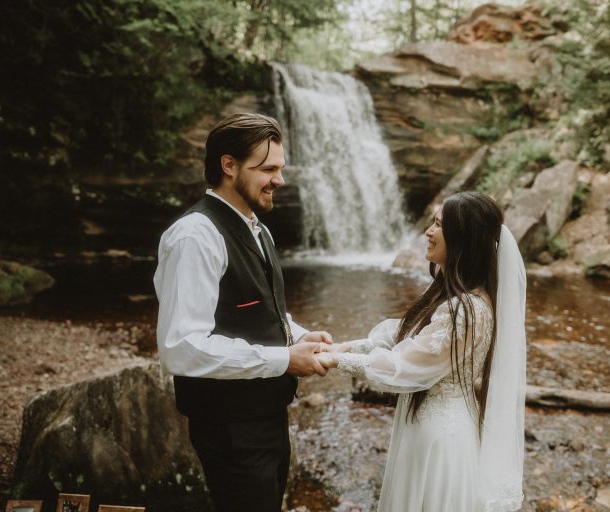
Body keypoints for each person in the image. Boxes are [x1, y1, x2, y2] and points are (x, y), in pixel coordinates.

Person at [153, 113, 333, 512]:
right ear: (228, 165)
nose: (279, 180)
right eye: (267, 169)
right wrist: (285, 359)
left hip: (268, 418)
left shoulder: (258, 229)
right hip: (229, 429)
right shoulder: (195, 237)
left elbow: (256, 307)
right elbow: (181, 347)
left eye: (280, 169)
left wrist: (298, 335)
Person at [318, 192, 526, 512]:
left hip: (441, 439)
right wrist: (345, 346)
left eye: (439, 225)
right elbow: (406, 334)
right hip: (428, 428)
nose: (427, 232)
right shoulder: (453, 293)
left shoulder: (467, 309)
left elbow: (405, 365)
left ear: (463, 238)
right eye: (432, 222)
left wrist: (336, 360)